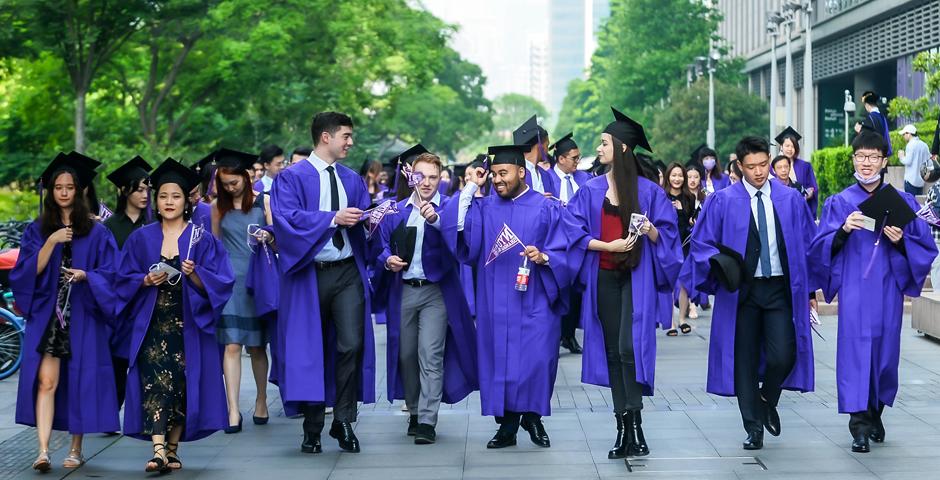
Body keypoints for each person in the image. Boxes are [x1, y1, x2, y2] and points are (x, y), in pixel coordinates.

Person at [687, 136, 818, 451]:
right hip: (741, 292)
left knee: (784, 354)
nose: (758, 172)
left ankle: (766, 399)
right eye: (751, 167)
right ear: (739, 167)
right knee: (743, 359)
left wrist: (811, 289)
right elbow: (701, 244)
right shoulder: (723, 200)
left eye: (763, 165)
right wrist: (719, 270)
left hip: (779, 289)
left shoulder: (790, 199)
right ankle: (753, 426)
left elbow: (808, 246)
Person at [809, 130, 936, 453]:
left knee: (884, 358)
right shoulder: (840, 202)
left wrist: (901, 240)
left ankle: (876, 411)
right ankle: (859, 426)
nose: (866, 163)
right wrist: (841, 231)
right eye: (861, 157)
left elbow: (924, 245)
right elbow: (819, 247)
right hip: (854, 292)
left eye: (873, 157)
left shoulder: (901, 202)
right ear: (853, 159)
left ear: (884, 161)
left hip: (887, 291)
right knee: (855, 356)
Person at [567, 108, 682, 458]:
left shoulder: (648, 192)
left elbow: (670, 238)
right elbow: (572, 233)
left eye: (604, 143)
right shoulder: (590, 191)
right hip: (604, 276)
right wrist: (608, 245)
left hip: (636, 278)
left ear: (623, 148)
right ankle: (623, 426)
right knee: (614, 352)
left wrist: (650, 230)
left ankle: (636, 423)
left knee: (629, 348)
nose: (599, 148)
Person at [456, 144, 583, 449]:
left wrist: (546, 258)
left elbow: (569, 247)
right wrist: (472, 186)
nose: (498, 179)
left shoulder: (546, 206)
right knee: (500, 361)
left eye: (504, 173)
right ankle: (508, 425)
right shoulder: (484, 208)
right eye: (494, 174)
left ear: (521, 173)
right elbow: (459, 231)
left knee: (537, 360)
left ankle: (534, 417)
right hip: (496, 303)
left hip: (537, 298)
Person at [114, 158, 234, 472]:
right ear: (156, 200)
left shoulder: (201, 238)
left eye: (176, 196)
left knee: (181, 383)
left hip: (188, 323)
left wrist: (195, 275)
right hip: (151, 322)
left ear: (186, 201)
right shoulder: (142, 238)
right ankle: (157, 449)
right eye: (163, 196)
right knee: (156, 383)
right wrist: (143, 279)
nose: (169, 201)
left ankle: (171, 448)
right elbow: (121, 278)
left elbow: (222, 281)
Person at [270, 111, 376, 454]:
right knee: (310, 350)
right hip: (309, 273)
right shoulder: (291, 178)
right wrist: (332, 218)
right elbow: (287, 220)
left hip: (346, 271)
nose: (350, 142)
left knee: (351, 344)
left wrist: (375, 219)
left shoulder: (352, 180)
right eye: (346, 135)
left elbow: (363, 222)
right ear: (326, 137)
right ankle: (313, 425)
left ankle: (343, 419)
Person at [11, 154, 120, 472]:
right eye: (57, 187)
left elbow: (112, 273)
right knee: (46, 382)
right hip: (48, 318)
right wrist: (51, 242)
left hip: (82, 315)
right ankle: (43, 451)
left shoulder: (98, 233)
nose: (63, 192)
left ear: (79, 191)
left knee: (79, 381)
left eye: (69, 187)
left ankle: (75, 448)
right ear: (51, 191)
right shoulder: (37, 230)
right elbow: (24, 273)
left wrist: (87, 275)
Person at [374, 152, 478, 445]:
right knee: (406, 355)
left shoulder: (447, 208)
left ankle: (427, 421)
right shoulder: (395, 210)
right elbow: (378, 245)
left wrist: (435, 221)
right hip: (404, 289)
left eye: (433, 177)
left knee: (430, 355)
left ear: (440, 178)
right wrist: (387, 259)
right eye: (421, 176)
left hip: (436, 292)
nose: (427, 183)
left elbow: (459, 241)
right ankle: (415, 411)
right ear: (411, 177)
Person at [211, 148, 276, 433]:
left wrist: (268, 236)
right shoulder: (217, 207)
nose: (230, 187)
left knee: (257, 345)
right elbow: (214, 246)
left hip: (258, 280)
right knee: (232, 345)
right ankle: (233, 410)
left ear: (246, 177)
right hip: (229, 282)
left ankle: (261, 400)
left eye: (234, 182)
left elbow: (278, 240)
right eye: (224, 183)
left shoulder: (265, 202)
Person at [103, 156, 153, 414]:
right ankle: (113, 408)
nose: (145, 194)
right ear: (124, 190)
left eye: (148, 189)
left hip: (150, 298)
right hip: (121, 302)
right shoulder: (109, 227)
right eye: (139, 189)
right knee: (118, 358)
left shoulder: (155, 222)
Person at [547, 132, 591, 354]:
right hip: (554, 242)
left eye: (579, 157)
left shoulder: (584, 179)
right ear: (561, 158)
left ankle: (569, 334)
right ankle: (554, 335)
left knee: (575, 291)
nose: (577, 162)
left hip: (578, 242)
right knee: (556, 287)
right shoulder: (546, 178)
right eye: (574, 158)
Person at [663, 162, 695, 336]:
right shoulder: (662, 195)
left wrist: (682, 211)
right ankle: (671, 323)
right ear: (668, 176)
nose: (677, 178)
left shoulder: (688, 197)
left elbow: (691, 220)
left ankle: (682, 319)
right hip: (667, 245)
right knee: (669, 284)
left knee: (683, 283)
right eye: (674, 175)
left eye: (680, 175)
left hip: (684, 244)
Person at [776, 127, 820, 218]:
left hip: (801, 211)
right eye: (787, 146)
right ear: (781, 147)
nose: (790, 149)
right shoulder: (774, 167)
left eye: (793, 146)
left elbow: (812, 187)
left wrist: (809, 194)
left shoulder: (805, 166)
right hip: (780, 212)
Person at [512, 115, 557, 196]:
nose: (547, 150)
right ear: (540, 145)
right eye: (547, 145)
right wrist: (537, 201)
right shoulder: (514, 174)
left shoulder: (545, 175)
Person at [854, 91, 893, 157]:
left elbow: (868, 136)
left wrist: (859, 130)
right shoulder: (882, 117)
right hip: (882, 152)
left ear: (866, 105)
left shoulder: (870, 118)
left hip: (874, 155)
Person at [898, 124, 931, 195]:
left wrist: (901, 156)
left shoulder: (910, 145)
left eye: (904, 134)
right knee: (919, 204)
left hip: (910, 180)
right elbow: (929, 161)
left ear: (908, 134)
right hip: (921, 181)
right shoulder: (924, 145)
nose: (903, 136)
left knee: (910, 204)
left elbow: (908, 161)